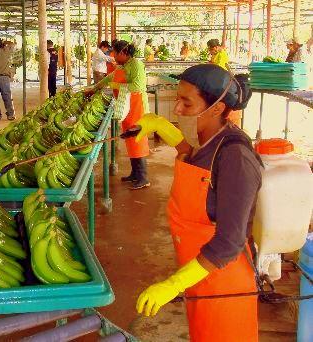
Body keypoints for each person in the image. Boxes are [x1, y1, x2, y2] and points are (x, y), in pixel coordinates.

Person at [135, 64, 261, 341]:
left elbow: (228, 242)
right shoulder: (208, 139)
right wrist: (157, 124)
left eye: (186, 103)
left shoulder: (235, 157)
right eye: (177, 99)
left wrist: (172, 284)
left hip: (223, 281)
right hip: (197, 273)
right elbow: (189, 151)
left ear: (216, 108)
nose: (177, 109)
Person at [88, 40, 150, 190]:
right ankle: (135, 173)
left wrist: (115, 86)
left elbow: (138, 86)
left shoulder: (136, 64)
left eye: (115, 52)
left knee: (137, 140)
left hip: (137, 106)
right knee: (130, 139)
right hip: (127, 107)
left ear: (123, 52)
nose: (113, 55)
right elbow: (109, 78)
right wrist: (95, 88)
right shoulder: (124, 65)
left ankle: (143, 177)